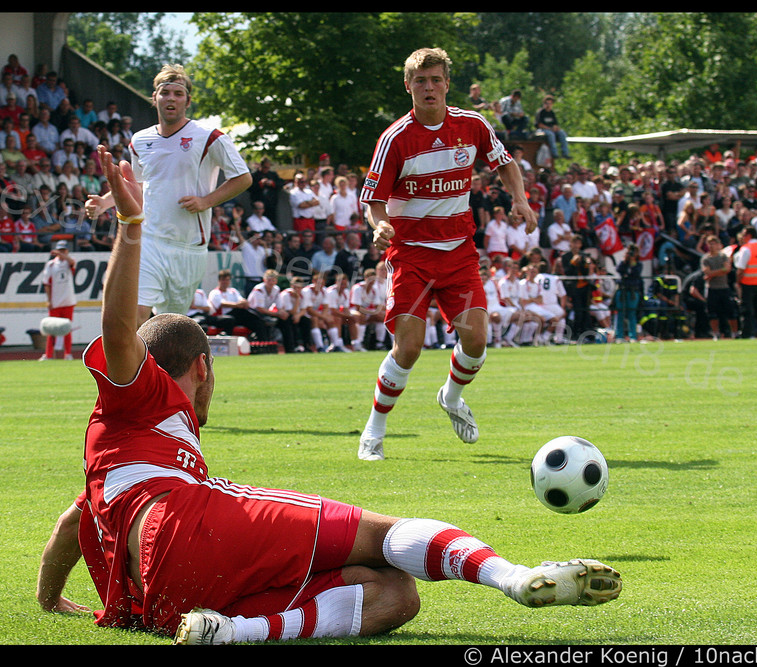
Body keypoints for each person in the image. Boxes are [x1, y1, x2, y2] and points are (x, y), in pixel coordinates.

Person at [35, 146, 622, 643]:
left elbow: (72, 521)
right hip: (186, 527)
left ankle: (235, 632)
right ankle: (514, 577)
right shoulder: (147, 393)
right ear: (203, 369)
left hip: (159, 604)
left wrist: (50, 599)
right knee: (384, 534)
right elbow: (117, 331)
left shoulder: (119, 444)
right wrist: (131, 226)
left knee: (394, 596)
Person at [357, 48, 538, 461]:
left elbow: (506, 164)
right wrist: (379, 225)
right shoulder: (395, 139)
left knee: (476, 338)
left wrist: (521, 200)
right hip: (411, 256)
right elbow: (374, 201)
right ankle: (375, 431)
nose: (429, 88)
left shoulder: (472, 125)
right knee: (410, 347)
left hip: (458, 253)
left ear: (446, 84)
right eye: (421, 81)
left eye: (436, 80)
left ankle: (451, 397)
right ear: (409, 86)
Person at [86, 64, 251, 324]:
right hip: (149, 241)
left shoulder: (209, 136)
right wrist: (105, 202)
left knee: (168, 325)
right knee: (136, 316)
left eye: (178, 93)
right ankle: (134, 366)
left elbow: (243, 177)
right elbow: (138, 184)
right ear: (155, 98)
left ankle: (161, 364)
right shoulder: (139, 140)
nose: (171, 98)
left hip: (189, 247)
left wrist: (206, 201)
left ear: (187, 100)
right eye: (165, 93)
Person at [39, 241, 77, 360]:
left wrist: (63, 255)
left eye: (64, 250)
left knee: (67, 328)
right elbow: (47, 283)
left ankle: (68, 353)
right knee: (51, 329)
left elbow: (72, 262)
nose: (61, 253)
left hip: (68, 300)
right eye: (60, 250)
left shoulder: (68, 262)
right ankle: (48, 354)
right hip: (56, 301)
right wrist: (49, 300)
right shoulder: (51, 264)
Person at [732, 226, 757, 339]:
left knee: (747, 311)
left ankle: (747, 333)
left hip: (747, 283)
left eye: (744, 235)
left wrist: (738, 283)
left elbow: (740, 269)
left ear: (749, 235)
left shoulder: (746, 249)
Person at [700, 235, 736, 340]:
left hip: (723, 287)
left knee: (730, 311)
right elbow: (707, 271)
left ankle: (734, 332)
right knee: (712, 312)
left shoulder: (723, 256)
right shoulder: (705, 258)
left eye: (714, 243)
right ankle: (716, 333)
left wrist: (711, 275)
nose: (712, 246)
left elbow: (727, 269)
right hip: (712, 288)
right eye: (710, 244)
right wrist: (719, 272)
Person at [614, 243, 643, 343]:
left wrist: (632, 262)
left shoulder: (638, 264)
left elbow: (635, 273)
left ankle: (632, 336)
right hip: (622, 290)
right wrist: (625, 260)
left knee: (631, 314)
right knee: (620, 313)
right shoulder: (623, 262)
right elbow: (618, 269)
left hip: (632, 291)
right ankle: (619, 336)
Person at [533, 95, 570, 159]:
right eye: (547, 103)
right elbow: (539, 125)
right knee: (551, 134)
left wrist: (555, 128)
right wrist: (550, 129)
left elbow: (555, 123)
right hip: (542, 130)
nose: (548, 105)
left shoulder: (552, 113)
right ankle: (554, 153)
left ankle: (565, 153)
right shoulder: (541, 112)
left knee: (562, 133)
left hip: (551, 129)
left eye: (550, 103)